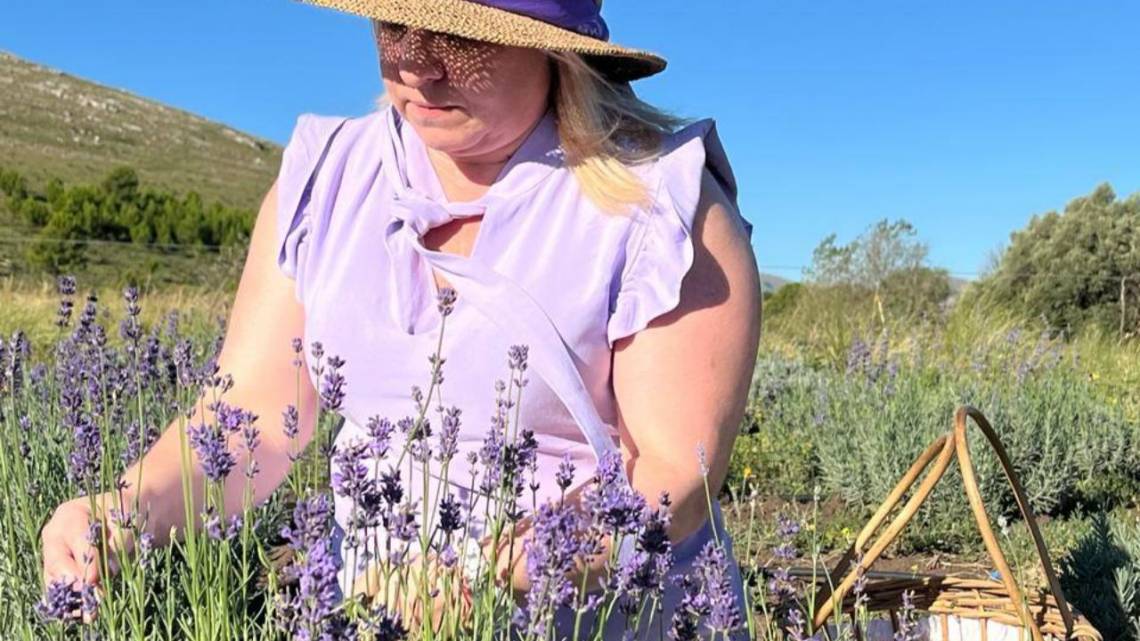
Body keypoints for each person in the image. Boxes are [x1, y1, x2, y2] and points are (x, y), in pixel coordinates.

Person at [40, 0, 762, 637]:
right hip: (374, 613)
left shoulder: (658, 205)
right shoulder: (325, 177)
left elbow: (674, 476)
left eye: (457, 32)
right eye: (392, 21)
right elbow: (252, 420)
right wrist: (122, 511)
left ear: (553, 42)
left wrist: (497, 577)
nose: (416, 61)